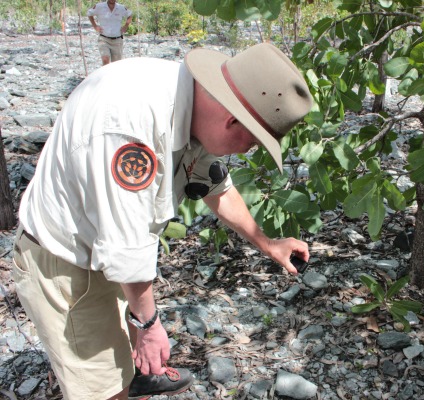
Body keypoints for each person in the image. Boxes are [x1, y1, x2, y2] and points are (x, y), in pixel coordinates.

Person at [12, 43, 313, 400]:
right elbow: (126, 247)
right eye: (251, 141)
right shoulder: (129, 128)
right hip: (67, 262)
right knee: (103, 388)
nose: (247, 150)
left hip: (105, 249)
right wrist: (150, 325)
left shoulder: (200, 104)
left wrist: (267, 242)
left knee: (131, 343)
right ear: (232, 118)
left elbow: (213, 183)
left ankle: (137, 374)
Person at [88, 0, 132, 65]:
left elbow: (130, 14)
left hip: (117, 40)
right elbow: (89, 13)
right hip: (104, 39)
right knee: (105, 59)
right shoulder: (99, 6)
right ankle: (105, 74)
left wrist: (126, 26)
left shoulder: (121, 8)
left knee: (116, 64)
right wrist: (95, 26)